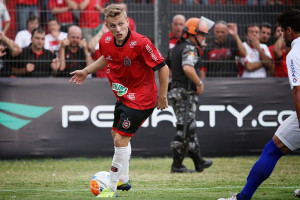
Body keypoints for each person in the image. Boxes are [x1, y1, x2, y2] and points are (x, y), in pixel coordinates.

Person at [69, 4, 169, 197]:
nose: (118, 29)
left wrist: (162, 96)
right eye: (113, 25)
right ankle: (123, 179)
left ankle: (111, 187)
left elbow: (162, 67)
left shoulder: (141, 42)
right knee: (115, 134)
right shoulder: (106, 41)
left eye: (121, 24)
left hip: (142, 98)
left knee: (121, 139)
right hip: (123, 95)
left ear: (128, 20)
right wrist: (86, 70)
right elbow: (106, 58)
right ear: (106, 25)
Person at [218, 7, 300, 200]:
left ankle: (243, 197)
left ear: (289, 30)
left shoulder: (295, 54)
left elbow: (298, 90)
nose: (281, 35)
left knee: (272, 149)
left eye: (281, 31)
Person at [168, 17, 213, 173]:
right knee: (186, 128)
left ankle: (198, 162)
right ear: (193, 34)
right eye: (202, 34)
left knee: (189, 127)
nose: (204, 37)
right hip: (185, 93)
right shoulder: (190, 48)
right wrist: (199, 84)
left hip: (174, 91)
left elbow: (166, 67)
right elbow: (188, 68)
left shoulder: (175, 48)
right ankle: (177, 165)